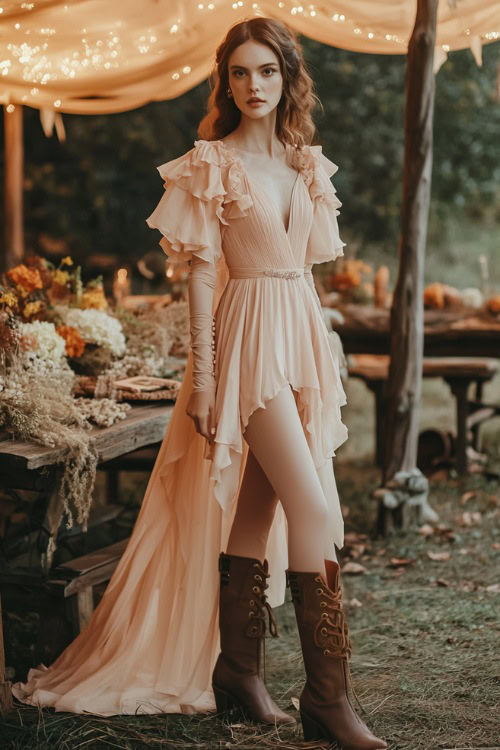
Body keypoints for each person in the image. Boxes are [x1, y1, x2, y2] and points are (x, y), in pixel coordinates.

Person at [13, 16, 387, 749]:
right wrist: (208, 383)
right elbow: (204, 276)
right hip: (248, 338)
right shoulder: (211, 162)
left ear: (288, 77)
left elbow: (305, 272)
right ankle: (327, 698)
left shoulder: (305, 163)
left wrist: (325, 350)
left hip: (300, 331)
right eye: (241, 73)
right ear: (226, 80)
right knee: (312, 506)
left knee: (260, 501)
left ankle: (236, 672)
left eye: (268, 72)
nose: (255, 86)